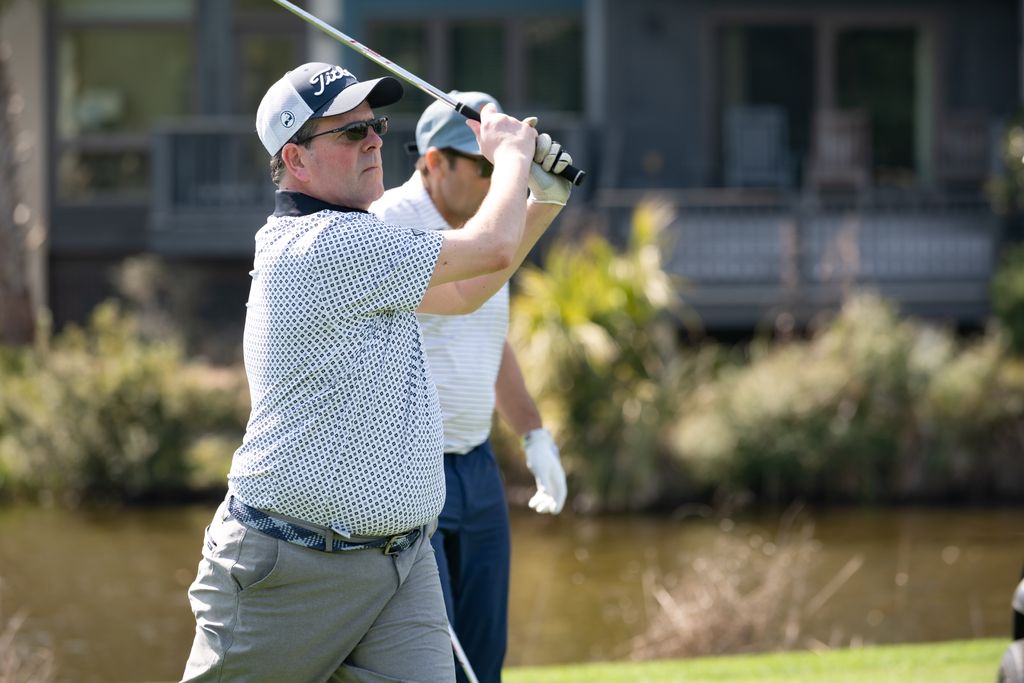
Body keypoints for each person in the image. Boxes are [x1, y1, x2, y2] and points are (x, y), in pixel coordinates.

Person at [180, 63, 572, 682]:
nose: (373, 141)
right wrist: (512, 156)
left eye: (375, 126)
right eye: (350, 131)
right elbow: (491, 248)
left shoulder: (363, 238)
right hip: (288, 569)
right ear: (296, 159)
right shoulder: (321, 245)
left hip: (398, 563)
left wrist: (543, 201)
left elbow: (466, 293)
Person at [369, 91, 569, 683]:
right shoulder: (388, 223)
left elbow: (489, 336)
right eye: (485, 165)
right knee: (438, 661)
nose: (496, 178)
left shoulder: (484, 226)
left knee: (485, 657)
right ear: (434, 162)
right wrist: (541, 200)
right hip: (409, 471)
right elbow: (461, 298)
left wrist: (534, 435)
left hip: (477, 469)